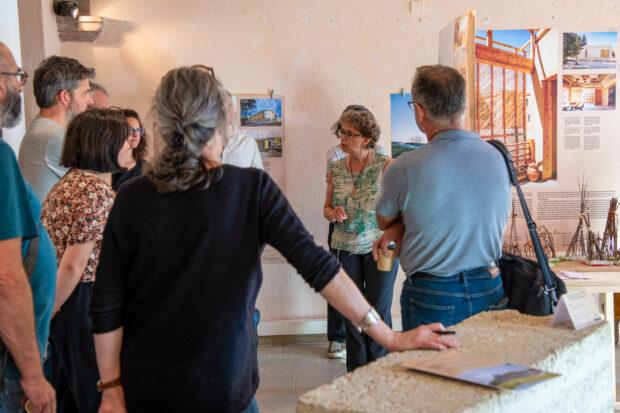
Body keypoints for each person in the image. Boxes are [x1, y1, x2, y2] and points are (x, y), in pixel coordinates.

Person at [90, 66, 458, 413]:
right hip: (223, 382)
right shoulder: (249, 189)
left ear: (163, 122)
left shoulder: (132, 197)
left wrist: (111, 387)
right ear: (222, 121)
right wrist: (390, 337)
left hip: (147, 384)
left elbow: (107, 301)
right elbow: (318, 267)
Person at [374, 65, 510, 331]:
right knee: (485, 359)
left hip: (433, 294)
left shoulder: (404, 167)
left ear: (419, 111)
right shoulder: (497, 157)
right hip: (490, 284)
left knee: (430, 361)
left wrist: (398, 226)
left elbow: (383, 220)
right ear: (462, 106)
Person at [41, 109, 133, 413]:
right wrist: (48, 311)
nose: (131, 144)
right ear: (105, 143)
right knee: (95, 395)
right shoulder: (94, 192)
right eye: (124, 139)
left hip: (67, 300)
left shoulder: (69, 182)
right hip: (80, 300)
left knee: (70, 394)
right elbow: (73, 265)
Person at [0, 42, 56, 413]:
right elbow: (6, 277)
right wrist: (33, 375)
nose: (22, 85)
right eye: (17, 75)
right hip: (10, 365)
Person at [323, 108, 398, 372]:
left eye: (349, 133)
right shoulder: (335, 168)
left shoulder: (386, 165)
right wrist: (334, 213)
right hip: (345, 248)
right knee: (352, 313)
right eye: (341, 132)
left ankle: (379, 373)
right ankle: (356, 374)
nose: (342, 138)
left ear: (367, 138)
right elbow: (326, 209)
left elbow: (400, 209)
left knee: (378, 311)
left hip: (383, 248)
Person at [18, 55, 95, 201]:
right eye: (86, 93)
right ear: (65, 96)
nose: (91, 100)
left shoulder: (44, 129)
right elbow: (95, 194)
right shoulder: (53, 137)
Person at [222, 93, 263, 169]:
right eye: (223, 105)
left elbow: (259, 175)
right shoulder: (203, 144)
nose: (229, 109)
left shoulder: (248, 143)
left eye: (230, 104)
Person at [111, 108, 149, 191]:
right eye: (130, 130)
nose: (136, 135)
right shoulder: (106, 166)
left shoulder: (146, 168)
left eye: (138, 130)